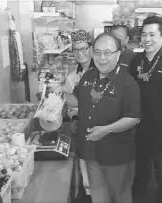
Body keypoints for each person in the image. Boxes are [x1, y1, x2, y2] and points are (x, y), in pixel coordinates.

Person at [63, 32, 141, 203]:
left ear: (118, 54)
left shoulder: (128, 83)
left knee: (121, 195)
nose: (102, 58)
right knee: (98, 194)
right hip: (91, 151)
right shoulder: (88, 75)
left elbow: (134, 118)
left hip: (116, 155)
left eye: (107, 52)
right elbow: (77, 100)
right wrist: (58, 94)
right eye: (98, 52)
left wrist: (106, 130)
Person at [129, 16, 162, 201]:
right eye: (144, 34)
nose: (147, 39)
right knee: (140, 167)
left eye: (152, 34)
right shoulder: (137, 60)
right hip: (139, 125)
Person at [63, 29, 95, 196]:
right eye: (76, 49)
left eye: (84, 48)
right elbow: (70, 105)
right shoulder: (71, 78)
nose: (80, 53)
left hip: (100, 127)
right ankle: (86, 193)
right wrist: (74, 117)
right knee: (84, 162)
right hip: (81, 127)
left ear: (90, 48)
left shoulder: (100, 71)